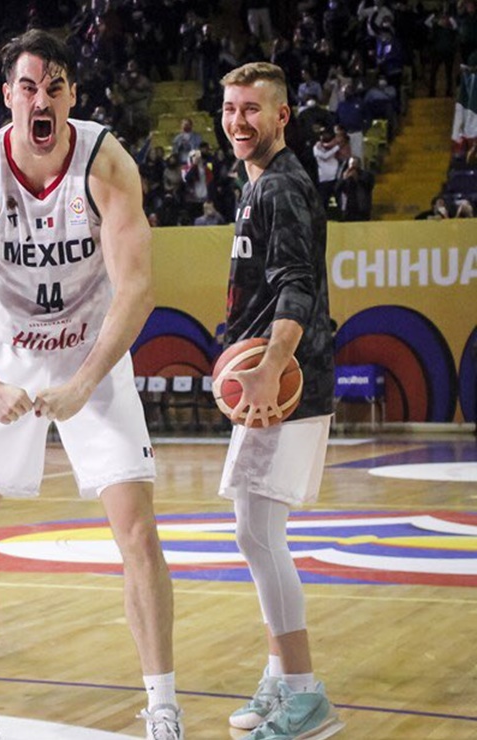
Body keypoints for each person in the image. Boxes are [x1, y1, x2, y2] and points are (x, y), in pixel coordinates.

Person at [0, 30, 182, 740]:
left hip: (90, 352)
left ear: (71, 96)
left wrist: (86, 378)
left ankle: (162, 708)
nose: (42, 98)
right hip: (3, 357)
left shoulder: (105, 162)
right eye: (28, 86)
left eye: (54, 86)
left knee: (136, 530)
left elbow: (137, 288)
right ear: (7, 97)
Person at [218, 61, 344, 740]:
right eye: (229, 108)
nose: (238, 121)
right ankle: (278, 678)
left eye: (251, 110)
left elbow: (297, 287)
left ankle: (304, 692)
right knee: (252, 532)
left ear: (280, 117)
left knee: (260, 534)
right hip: (270, 382)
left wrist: (268, 368)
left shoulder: (282, 187)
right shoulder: (259, 185)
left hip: (287, 385)